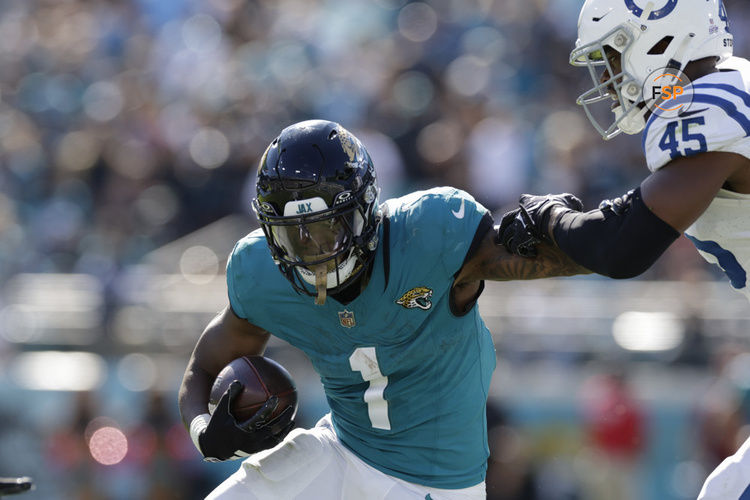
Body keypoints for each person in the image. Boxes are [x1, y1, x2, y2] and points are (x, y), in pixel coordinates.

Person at [177, 119, 587, 499]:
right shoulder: (261, 272)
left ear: (363, 210)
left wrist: (593, 232)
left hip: (433, 484)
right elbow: (204, 365)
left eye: (326, 229)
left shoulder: (426, 236)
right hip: (342, 448)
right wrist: (203, 431)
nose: (314, 250)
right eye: (295, 237)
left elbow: (565, 255)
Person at [497, 1, 750, 498]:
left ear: (659, 39)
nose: (610, 76)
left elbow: (622, 247)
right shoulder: (731, 85)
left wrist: (550, 218)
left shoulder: (711, 105)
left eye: (614, 53)